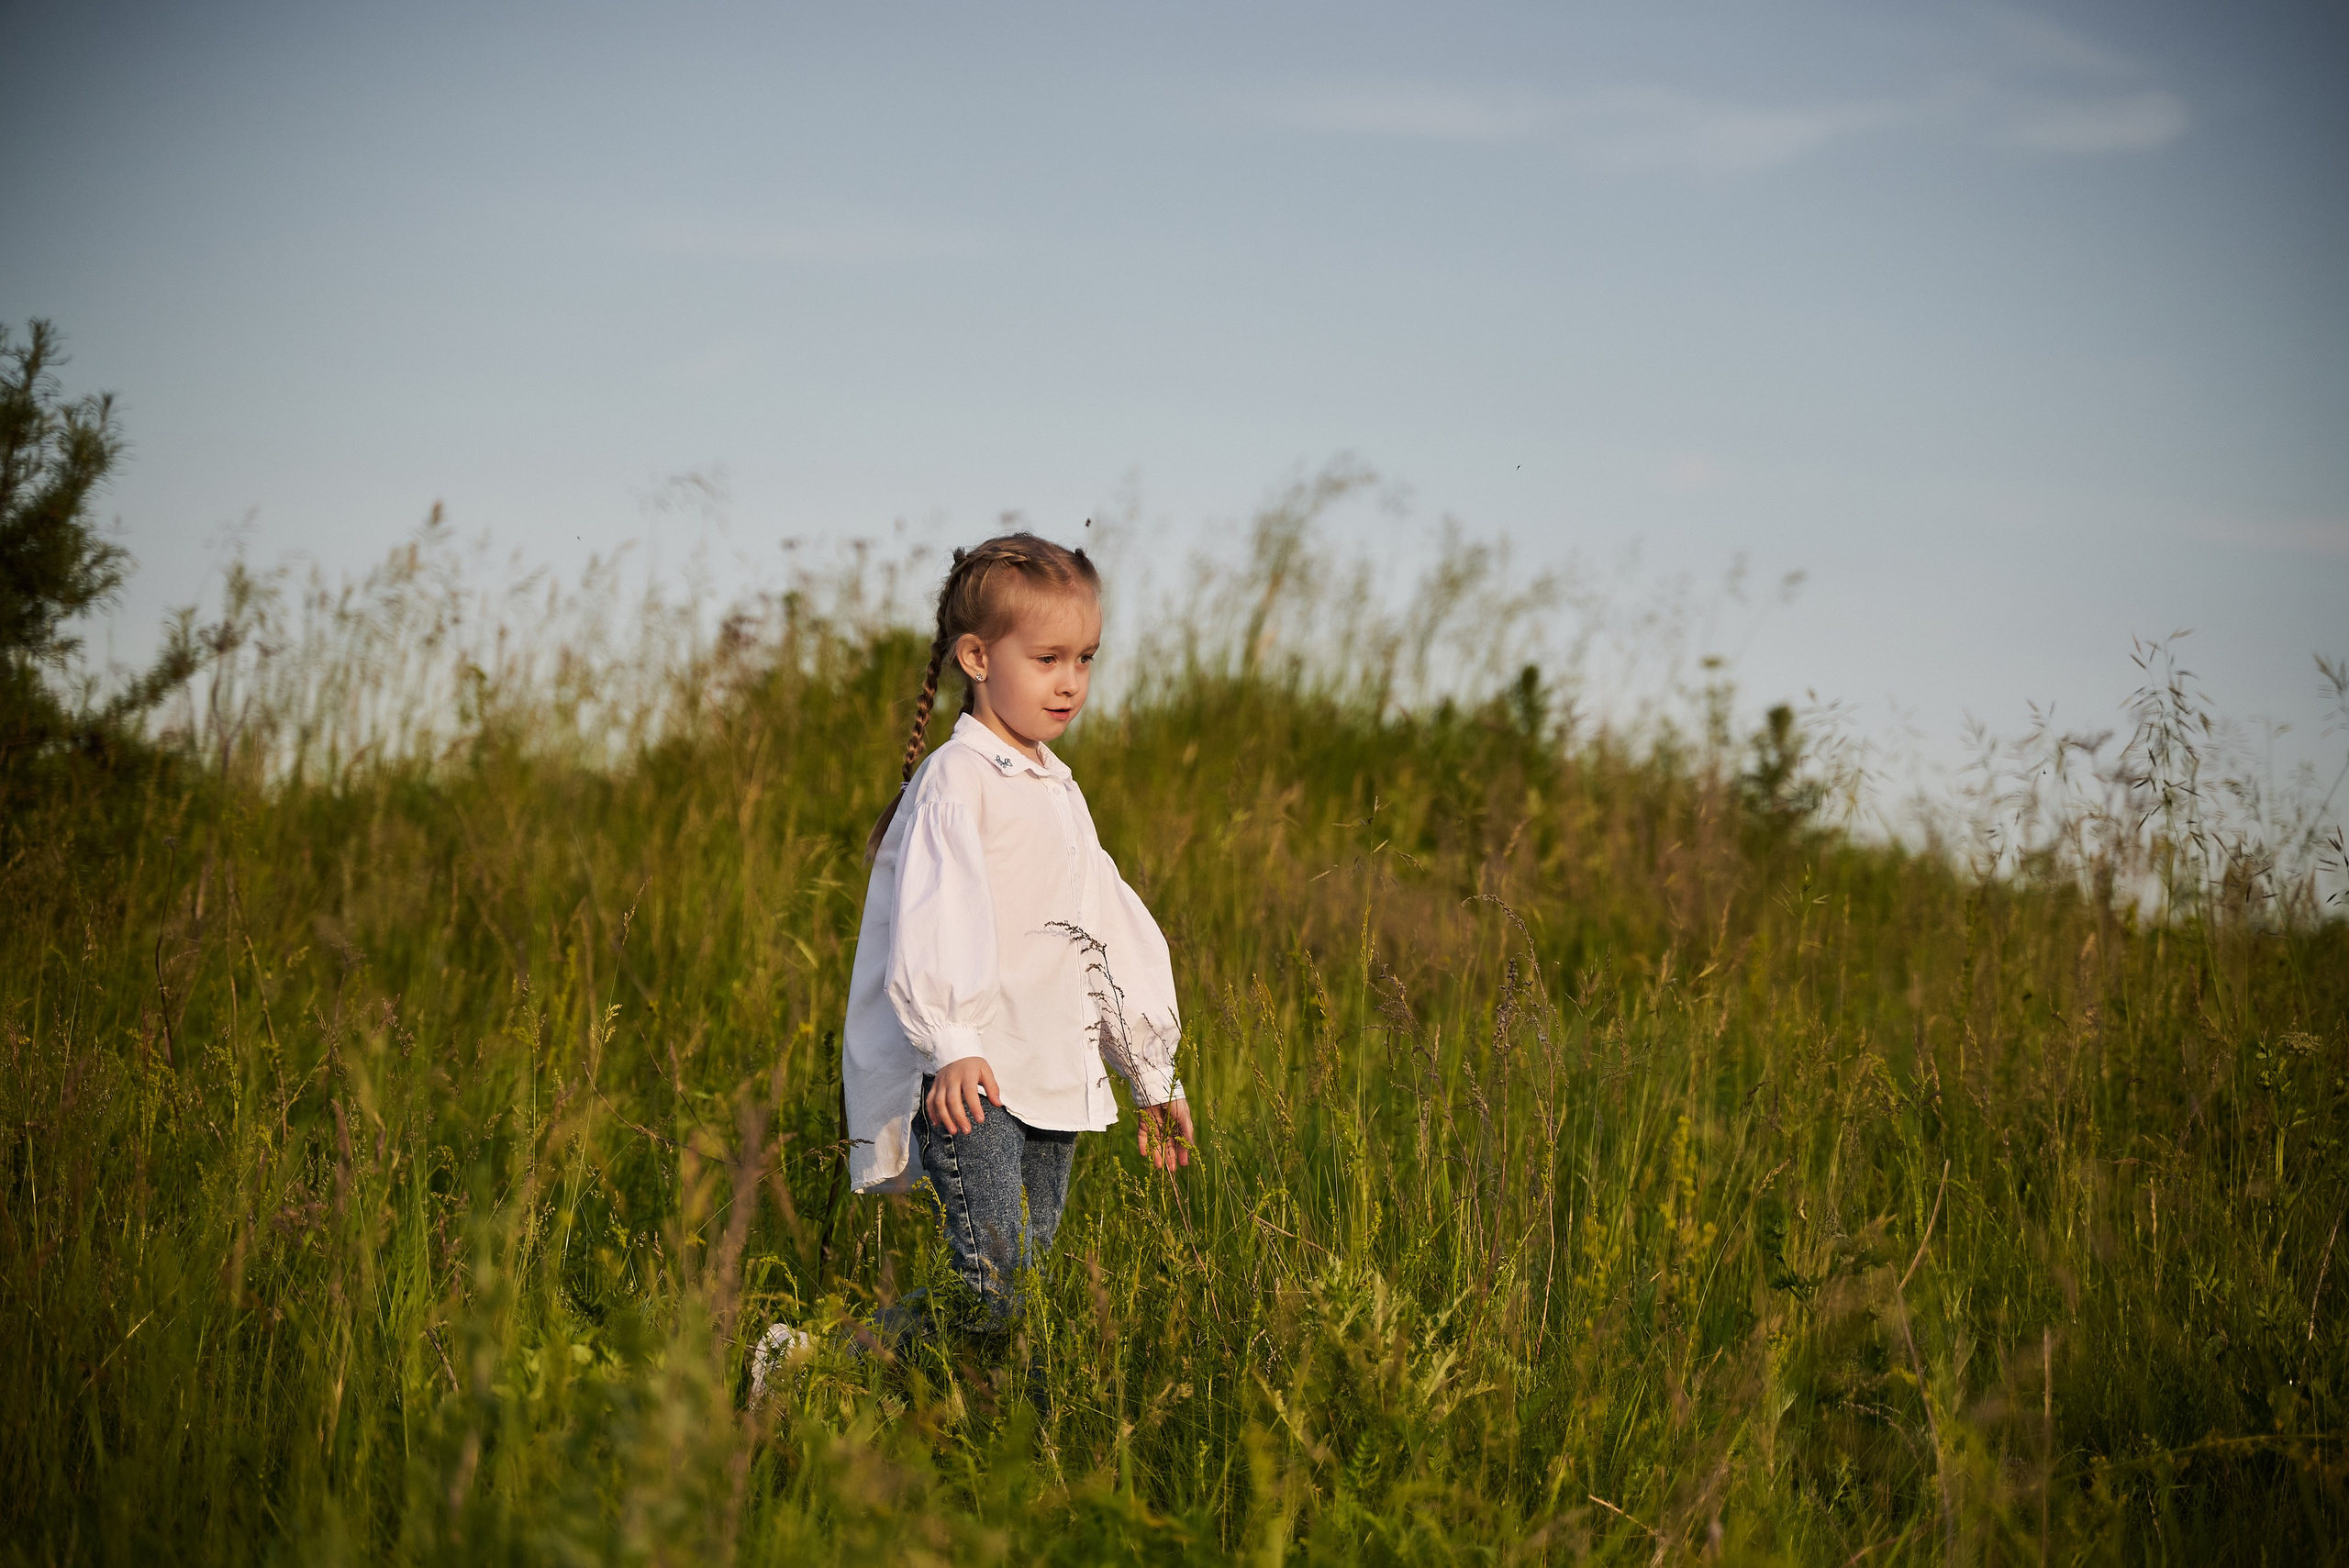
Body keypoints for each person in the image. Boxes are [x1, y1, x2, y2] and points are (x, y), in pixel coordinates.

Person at [842, 531, 1192, 1344]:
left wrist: (1148, 1068)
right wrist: (954, 1039)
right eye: (1048, 658)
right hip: (977, 1083)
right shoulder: (959, 782)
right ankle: (811, 1371)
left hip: (1052, 1074)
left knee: (1017, 1290)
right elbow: (934, 920)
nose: (1071, 682)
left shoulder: (1058, 790)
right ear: (976, 656)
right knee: (994, 1289)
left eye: (1086, 659)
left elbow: (1101, 931)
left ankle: (904, 1393)